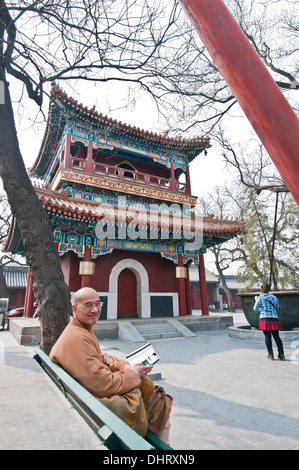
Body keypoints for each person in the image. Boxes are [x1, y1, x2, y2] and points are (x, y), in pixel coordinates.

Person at [49, 287, 171, 441]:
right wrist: (134, 374)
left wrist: (124, 366)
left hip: (89, 395)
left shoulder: (78, 330)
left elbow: (100, 356)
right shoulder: (79, 338)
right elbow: (104, 384)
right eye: (88, 305)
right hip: (101, 406)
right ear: (75, 308)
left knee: (156, 398)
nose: (94, 309)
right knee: (161, 404)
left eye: (98, 304)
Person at [254, 283, 285, 361]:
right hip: (274, 318)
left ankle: (270, 355)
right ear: (269, 289)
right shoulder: (274, 297)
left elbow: (255, 309)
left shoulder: (260, 298)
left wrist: (256, 300)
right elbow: (277, 307)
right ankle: (281, 354)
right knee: (277, 337)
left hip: (264, 319)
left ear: (261, 289)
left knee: (267, 337)